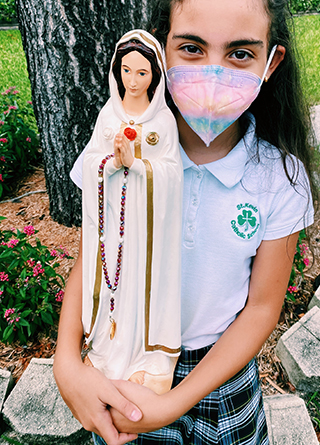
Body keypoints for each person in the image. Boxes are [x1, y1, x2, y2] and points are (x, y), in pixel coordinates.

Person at [54, 0, 316, 445]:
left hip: (221, 384)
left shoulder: (279, 179)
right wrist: (68, 362)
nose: (214, 73)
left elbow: (262, 309)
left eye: (240, 53)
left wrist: (176, 400)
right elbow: (97, 247)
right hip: (126, 366)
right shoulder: (115, 147)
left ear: (271, 61)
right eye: (192, 48)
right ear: (158, 50)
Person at [80, 29, 182, 395]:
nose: (133, 81)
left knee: (143, 283)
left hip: (147, 230)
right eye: (126, 71)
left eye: (142, 73)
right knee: (115, 284)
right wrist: (110, 163)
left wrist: (136, 165)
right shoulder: (108, 114)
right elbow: (90, 161)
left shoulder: (163, 121)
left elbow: (173, 175)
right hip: (112, 224)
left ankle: (147, 357)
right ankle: (107, 353)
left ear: (155, 74)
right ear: (116, 70)